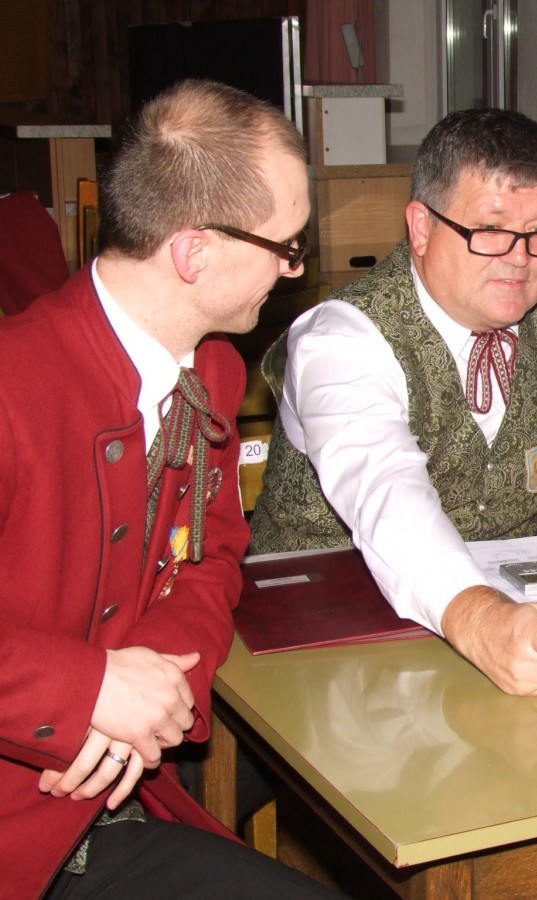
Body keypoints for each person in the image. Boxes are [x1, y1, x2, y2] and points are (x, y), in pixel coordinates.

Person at [0, 80, 343, 897]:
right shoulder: (13, 384)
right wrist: (89, 690)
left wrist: (154, 685)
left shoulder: (212, 369)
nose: (294, 268)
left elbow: (214, 554)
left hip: (121, 793)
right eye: (287, 245)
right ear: (194, 253)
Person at [248, 108, 537, 697]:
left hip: (500, 621)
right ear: (422, 227)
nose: (520, 259)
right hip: (319, 647)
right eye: (491, 231)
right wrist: (479, 618)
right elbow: (386, 494)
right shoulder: (341, 337)